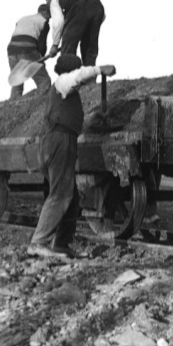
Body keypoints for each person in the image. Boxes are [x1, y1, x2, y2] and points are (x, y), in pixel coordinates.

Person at [27, 54, 116, 259]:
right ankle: (38, 242)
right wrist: (100, 69)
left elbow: (71, 123)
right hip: (60, 142)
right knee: (60, 194)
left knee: (71, 196)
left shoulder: (65, 95)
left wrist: (92, 119)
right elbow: (78, 76)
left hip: (58, 140)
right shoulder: (63, 82)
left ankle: (61, 245)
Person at [46, 0, 105, 66]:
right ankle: (90, 76)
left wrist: (55, 45)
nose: (48, 6)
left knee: (68, 49)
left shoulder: (55, 1)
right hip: (98, 5)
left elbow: (58, 23)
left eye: (48, 2)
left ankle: (68, 74)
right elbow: (102, 17)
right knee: (90, 48)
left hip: (78, 5)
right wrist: (85, 30)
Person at [8, 3, 52, 100]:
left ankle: (13, 103)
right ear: (45, 13)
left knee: (17, 80)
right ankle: (42, 102)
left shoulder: (23, 19)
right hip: (27, 48)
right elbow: (42, 44)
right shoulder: (44, 22)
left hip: (11, 50)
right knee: (43, 80)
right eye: (50, 15)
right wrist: (40, 58)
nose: (50, 18)